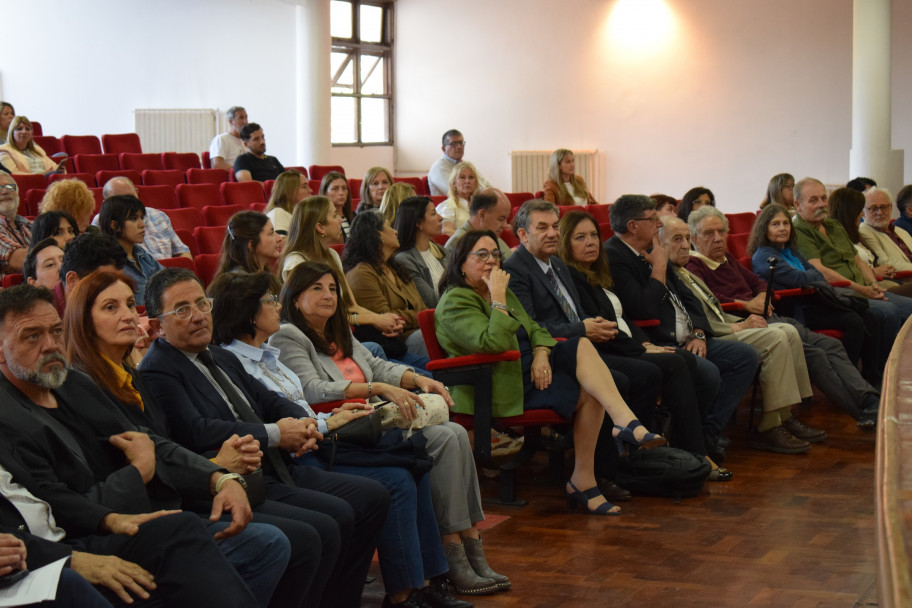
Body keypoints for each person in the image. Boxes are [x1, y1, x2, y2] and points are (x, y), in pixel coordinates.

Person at [0, 284, 292, 608]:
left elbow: (147, 441)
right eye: (32, 336)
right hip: (83, 535)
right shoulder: (8, 417)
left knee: (269, 544)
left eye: (56, 331)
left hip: (133, 516)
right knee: (188, 532)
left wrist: (218, 477)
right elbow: (56, 506)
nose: (51, 345)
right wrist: (138, 472)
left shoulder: (71, 382)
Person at [63, 269, 337, 608]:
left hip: (199, 489)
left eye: (129, 305)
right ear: (83, 323)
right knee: (280, 541)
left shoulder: (129, 374)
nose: (127, 315)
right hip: (146, 513)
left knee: (329, 520)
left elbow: (263, 402)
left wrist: (303, 424)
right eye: (110, 307)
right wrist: (216, 471)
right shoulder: (88, 383)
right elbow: (173, 442)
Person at [232, 268, 506, 604]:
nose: (328, 295)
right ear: (295, 297)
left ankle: (459, 552)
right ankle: (430, 573)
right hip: (343, 427)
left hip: (350, 421)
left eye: (333, 287)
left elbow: (376, 364)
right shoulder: (288, 337)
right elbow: (313, 390)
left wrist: (413, 379)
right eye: (316, 288)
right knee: (425, 455)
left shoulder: (334, 332)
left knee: (453, 434)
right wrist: (375, 389)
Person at [138, 267, 390, 608]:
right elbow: (197, 429)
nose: (198, 316)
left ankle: (339, 599)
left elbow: (269, 400)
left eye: (202, 303)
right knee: (323, 528)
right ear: (156, 325)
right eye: (183, 310)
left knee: (373, 495)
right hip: (233, 479)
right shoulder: (159, 368)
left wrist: (303, 423)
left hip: (276, 466)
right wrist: (275, 434)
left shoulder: (220, 355)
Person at [435, 230, 666, 515]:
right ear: (460, 263)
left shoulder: (500, 291)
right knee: (589, 376)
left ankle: (587, 474)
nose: (491, 261)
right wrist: (497, 298)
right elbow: (491, 344)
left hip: (529, 371)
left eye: (495, 254)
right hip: (496, 383)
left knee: (588, 378)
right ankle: (621, 428)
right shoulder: (456, 301)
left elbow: (536, 329)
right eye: (481, 255)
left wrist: (542, 354)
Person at [558, 211, 730, 469]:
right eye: (580, 237)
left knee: (679, 359)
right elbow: (604, 329)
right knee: (671, 363)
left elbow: (623, 318)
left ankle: (684, 448)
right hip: (602, 351)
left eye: (594, 235)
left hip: (623, 344)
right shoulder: (573, 278)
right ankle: (682, 449)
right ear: (566, 243)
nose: (591, 242)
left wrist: (645, 344)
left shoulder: (597, 273)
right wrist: (641, 349)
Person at [684, 205, 880, 430]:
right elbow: (709, 299)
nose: (718, 238)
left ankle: (869, 401)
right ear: (695, 239)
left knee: (832, 344)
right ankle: (864, 409)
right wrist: (746, 303)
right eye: (709, 233)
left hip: (772, 318)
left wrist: (761, 296)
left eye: (721, 232)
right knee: (816, 354)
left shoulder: (726, 258)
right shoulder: (693, 265)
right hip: (748, 324)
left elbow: (759, 282)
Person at [603, 195, 762, 451]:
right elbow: (642, 308)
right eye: (653, 219)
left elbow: (689, 298)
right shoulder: (615, 256)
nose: (657, 225)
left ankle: (707, 431)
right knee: (707, 373)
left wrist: (699, 331)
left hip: (689, 336)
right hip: (656, 339)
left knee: (743, 356)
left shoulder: (652, 250)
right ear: (633, 226)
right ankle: (693, 439)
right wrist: (659, 268)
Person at [657, 216, 826, 453]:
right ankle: (769, 425)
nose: (685, 245)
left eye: (686, 239)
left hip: (724, 324)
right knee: (776, 337)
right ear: (658, 243)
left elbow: (715, 305)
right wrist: (739, 325)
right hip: (715, 333)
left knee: (788, 331)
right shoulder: (681, 270)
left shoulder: (687, 272)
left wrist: (743, 319)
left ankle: (784, 414)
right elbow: (700, 318)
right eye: (679, 239)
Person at [749, 203, 885, 386]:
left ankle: (872, 378)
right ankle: (848, 381)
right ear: (764, 228)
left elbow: (816, 275)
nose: (782, 228)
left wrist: (809, 277)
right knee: (853, 321)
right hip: (796, 310)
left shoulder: (791, 251)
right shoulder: (763, 255)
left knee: (871, 317)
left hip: (815, 301)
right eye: (775, 224)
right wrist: (810, 277)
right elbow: (799, 279)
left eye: (786, 223)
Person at [792, 178, 912, 351]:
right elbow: (821, 270)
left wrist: (872, 284)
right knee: (889, 312)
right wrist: (863, 290)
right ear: (798, 204)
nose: (821, 204)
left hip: (863, 288)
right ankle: (880, 373)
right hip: (838, 294)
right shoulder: (799, 231)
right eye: (813, 200)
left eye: (823, 198)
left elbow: (857, 260)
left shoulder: (833, 225)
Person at [280, 197, 407, 348]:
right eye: (334, 216)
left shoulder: (332, 255)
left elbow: (351, 306)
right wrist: (373, 320)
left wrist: (384, 319)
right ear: (320, 227)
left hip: (341, 332)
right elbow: (314, 315)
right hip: (316, 339)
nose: (341, 220)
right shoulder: (296, 263)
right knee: (376, 348)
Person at [344, 211, 429, 367]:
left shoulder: (396, 267)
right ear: (378, 235)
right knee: (428, 335)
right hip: (397, 342)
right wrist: (419, 316)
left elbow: (421, 307)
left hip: (412, 332)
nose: (396, 231)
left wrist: (414, 316)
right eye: (389, 226)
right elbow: (387, 321)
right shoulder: (362, 273)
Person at [102, 176, 192, 260]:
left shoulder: (159, 215)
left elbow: (182, 252)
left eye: (130, 197)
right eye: (120, 201)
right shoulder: (102, 222)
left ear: (136, 192)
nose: (142, 224)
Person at [98, 195, 164, 306]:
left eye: (141, 218)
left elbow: (169, 282)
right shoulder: (107, 263)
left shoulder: (142, 255)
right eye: (133, 219)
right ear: (115, 226)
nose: (142, 224)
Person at [394, 196, 450, 308]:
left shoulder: (440, 250)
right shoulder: (404, 260)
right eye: (433, 214)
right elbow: (431, 301)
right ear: (418, 223)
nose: (441, 217)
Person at [214, 211, 282, 283]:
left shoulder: (267, 275)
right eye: (271, 233)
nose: (279, 238)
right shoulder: (241, 285)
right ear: (252, 245)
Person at [445, 189, 513, 260]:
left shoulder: (492, 236)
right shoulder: (458, 243)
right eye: (501, 219)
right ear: (482, 215)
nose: (505, 225)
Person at [858, 187, 912, 272]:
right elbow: (883, 262)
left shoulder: (900, 231)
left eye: (883, 207)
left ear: (890, 208)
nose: (879, 213)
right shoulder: (863, 232)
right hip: (900, 279)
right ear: (863, 212)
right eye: (873, 208)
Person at [427, 130, 491, 197]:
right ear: (443, 148)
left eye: (461, 143)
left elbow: (486, 184)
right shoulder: (439, 167)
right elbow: (454, 192)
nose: (459, 147)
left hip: (478, 202)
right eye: (454, 144)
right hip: (452, 206)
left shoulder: (466, 165)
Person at [0, 116, 64, 176]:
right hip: (26, 184)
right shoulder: (4, 150)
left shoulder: (37, 149)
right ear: (12, 132)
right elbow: (14, 175)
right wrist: (42, 175)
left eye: (28, 129)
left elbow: (53, 167)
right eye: (19, 129)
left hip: (47, 182)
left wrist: (60, 169)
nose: (24, 132)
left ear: (31, 134)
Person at [0, 172, 32, 278]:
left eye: (9, 187)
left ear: (17, 194)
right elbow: (21, 260)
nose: (4, 191)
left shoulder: (32, 225)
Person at [437, 162, 481, 236]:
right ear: (454, 183)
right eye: (462, 177)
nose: (467, 181)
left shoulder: (479, 205)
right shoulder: (448, 206)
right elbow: (446, 231)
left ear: (476, 182)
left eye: (471, 177)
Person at [265, 169, 312, 237]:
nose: (311, 190)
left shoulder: (301, 214)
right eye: (304, 187)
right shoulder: (278, 213)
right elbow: (281, 246)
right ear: (289, 192)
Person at [209, 106, 248, 171]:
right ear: (231, 121)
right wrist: (241, 171)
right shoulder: (221, 139)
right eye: (241, 118)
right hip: (233, 178)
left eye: (246, 117)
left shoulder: (247, 140)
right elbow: (217, 165)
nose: (245, 121)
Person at [320, 171, 354, 240]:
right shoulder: (322, 221)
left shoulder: (354, 216)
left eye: (344, 188)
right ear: (325, 192)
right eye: (335, 189)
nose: (341, 193)